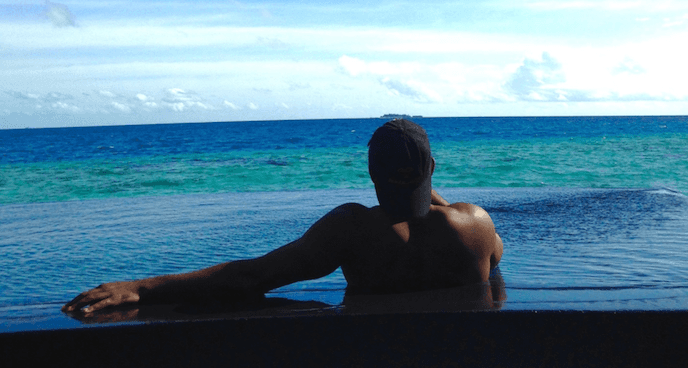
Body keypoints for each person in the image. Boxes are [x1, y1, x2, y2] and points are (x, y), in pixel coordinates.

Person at [63, 119, 503, 315]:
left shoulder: (353, 227)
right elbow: (487, 257)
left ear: (370, 173)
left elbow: (251, 277)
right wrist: (422, 181)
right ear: (433, 169)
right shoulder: (476, 225)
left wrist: (141, 287)